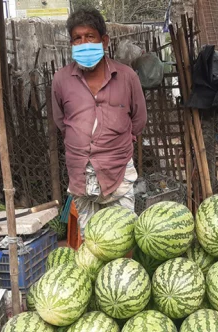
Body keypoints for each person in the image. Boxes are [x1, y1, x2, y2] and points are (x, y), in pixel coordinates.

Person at [51, 8, 147, 236]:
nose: (83, 43)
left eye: (89, 36)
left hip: (118, 170)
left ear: (104, 41)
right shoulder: (61, 79)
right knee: (92, 241)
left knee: (123, 238)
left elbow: (139, 120)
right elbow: (61, 121)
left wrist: (113, 142)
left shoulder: (127, 77)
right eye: (77, 38)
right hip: (80, 174)